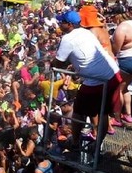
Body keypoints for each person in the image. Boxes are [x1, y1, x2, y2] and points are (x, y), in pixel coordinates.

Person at [51, 11, 122, 140]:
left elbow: (58, 63)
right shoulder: (86, 32)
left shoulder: (68, 39)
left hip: (97, 80)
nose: (59, 24)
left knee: (78, 112)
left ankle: (75, 144)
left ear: (70, 24)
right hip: (113, 74)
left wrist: (52, 64)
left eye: (62, 23)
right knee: (103, 112)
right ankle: (98, 145)